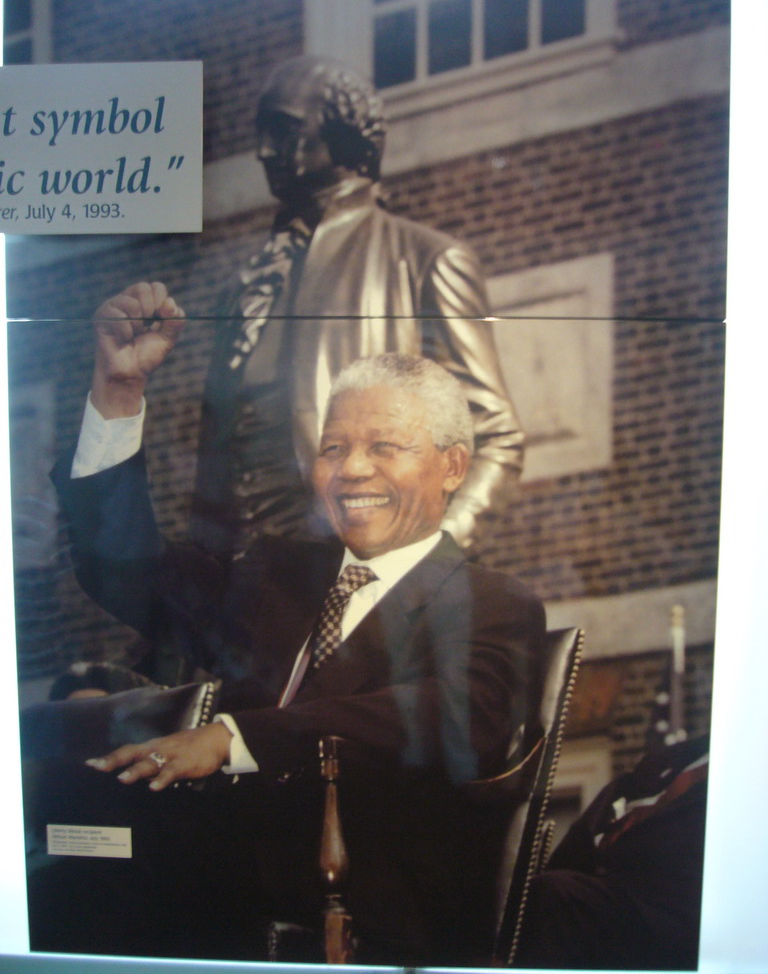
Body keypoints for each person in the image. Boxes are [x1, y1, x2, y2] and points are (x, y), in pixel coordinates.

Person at [36, 282, 544, 964]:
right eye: (333, 449)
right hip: (208, 870)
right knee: (58, 862)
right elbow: (127, 572)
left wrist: (232, 737)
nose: (351, 470)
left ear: (452, 466)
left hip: (357, 905)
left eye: (385, 446)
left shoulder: (494, 604)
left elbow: (448, 718)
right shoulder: (275, 575)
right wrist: (119, 393)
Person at [192, 53, 523, 557]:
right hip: (242, 594)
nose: (263, 151)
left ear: (344, 133)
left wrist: (421, 564)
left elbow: (494, 436)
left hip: (361, 577)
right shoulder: (245, 287)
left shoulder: (426, 260)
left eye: (284, 130)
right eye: (261, 132)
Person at [514, 735, 709, 970]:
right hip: (597, 885)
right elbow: (602, 811)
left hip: (667, 918)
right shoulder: (680, 755)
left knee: (555, 894)